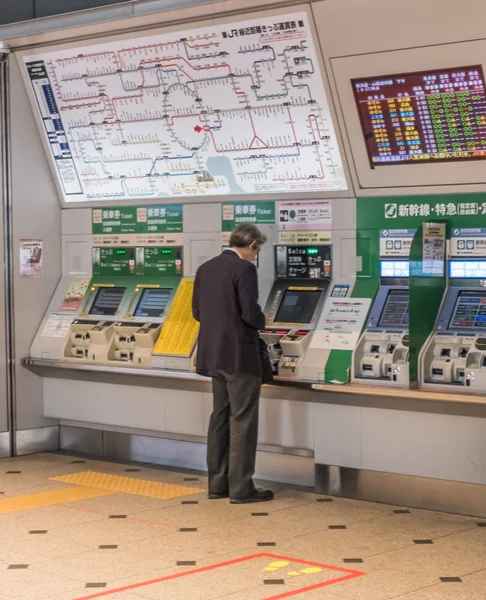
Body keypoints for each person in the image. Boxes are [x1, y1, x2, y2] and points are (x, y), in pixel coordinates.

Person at [192, 224, 274, 504]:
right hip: (240, 356)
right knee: (242, 421)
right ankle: (241, 488)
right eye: (258, 250)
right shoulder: (244, 270)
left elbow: (197, 312)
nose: (256, 255)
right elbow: (250, 312)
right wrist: (266, 322)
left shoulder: (206, 268)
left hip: (212, 356)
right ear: (251, 244)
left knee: (219, 419)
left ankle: (217, 484)